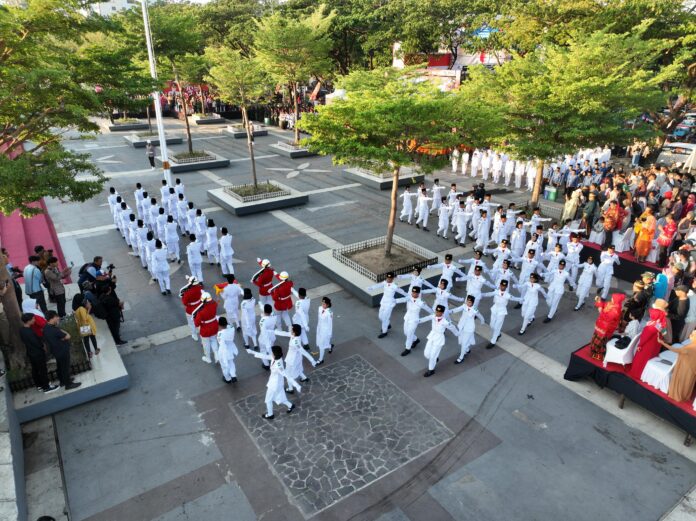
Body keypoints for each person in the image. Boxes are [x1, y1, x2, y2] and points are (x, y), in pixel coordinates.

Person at [247, 345, 299, 419]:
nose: (271, 353)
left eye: (272, 352)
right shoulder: (275, 358)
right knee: (280, 397)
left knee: (268, 400)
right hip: (275, 383)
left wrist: (296, 385)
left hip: (274, 385)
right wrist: (252, 352)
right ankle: (290, 405)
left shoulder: (278, 365)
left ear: (275, 354)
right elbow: (264, 356)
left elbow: (287, 375)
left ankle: (270, 414)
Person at [629, 300, 668, 379]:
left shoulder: (651, 325)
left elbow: (644, 337)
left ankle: (636, 374)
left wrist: (640, 345)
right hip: (655, 345)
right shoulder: (661, 322)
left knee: (641, 360)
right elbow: (664, 333)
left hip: (647, 346)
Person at [43, 311, 82, 390]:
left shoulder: (46, 328)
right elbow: (68, 336)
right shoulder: (55, 330)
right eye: (56, 317)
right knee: (65, 368)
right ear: (52, 318)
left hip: (55, 351)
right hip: (62, 351)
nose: (58, 318)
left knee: (60, 367)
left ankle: (63, 381)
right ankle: (68, 384)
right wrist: (63, 333)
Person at [19, 313, 57, 393]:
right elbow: (36, 343)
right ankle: (46, 387)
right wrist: (42, 346)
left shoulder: (22, 330)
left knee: (35, 370)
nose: (34, 320)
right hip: (37, 354)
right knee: (42, 370)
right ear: (28, 321)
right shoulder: (29, 332)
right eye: (33, 319)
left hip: (31, 353)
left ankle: (39, 385)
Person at [419, 305, 459, 377]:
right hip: (432, 336)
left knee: (432, 356)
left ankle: (431, 370)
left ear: (442, 313)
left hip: (439, 339)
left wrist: (457, 334)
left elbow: (452, 327)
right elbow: (424, 318)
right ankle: (435, 358)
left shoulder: (445, 321)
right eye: (436, 311)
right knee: (426, 354)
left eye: (439, 312)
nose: (437, 313)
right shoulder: (433, 316)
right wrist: (417, 321)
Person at [480, 280, 522, 349]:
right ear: (500, 285)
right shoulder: (496, 292)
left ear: (506, 287)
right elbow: (489, 294)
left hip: (502, 311)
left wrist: (522, 299)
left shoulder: (507, 295)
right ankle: (498, 334)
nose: (502, 287)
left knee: (497, 327)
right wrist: (482, 294)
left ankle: (493, 341)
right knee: (492, 325)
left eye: (504, 286)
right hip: (495, 309)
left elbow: (514, 298)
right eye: (502, 285)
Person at [395, 286, 433, 357]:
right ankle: (416, 339)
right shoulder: (409, 298)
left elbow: (428, 309)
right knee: (405, 332)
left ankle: (407, 349)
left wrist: (435, 314)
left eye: (415, 293)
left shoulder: (421, 303)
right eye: (413, 292)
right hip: (407, 318)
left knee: (409, 334)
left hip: (414, 320)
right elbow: (402, 299)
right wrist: (395, 300)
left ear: (418, 294)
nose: (414, 294)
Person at [657, 332, 696, 402]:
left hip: (685, 367)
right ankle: (685, 396)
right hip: (692, 368)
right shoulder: (693, 345)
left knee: (682, 381)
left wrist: (663, 343)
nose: (690, 335)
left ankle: (677, 396)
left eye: (692, 335)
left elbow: (676, 350)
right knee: (688, 382)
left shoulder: (691, 347)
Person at [367, 272, 407, 338]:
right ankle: (388, 324)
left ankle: (384, 332)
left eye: (390, 278)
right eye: (387, 278)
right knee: (380, 316)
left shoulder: (394, 286)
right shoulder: (385, 282)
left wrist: (408, 297)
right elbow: (378, 285)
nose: (388, 279)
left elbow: (402, 292)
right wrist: (371, 287)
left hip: (389, 304)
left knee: (385, 318)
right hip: (383, 302)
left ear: (392, 278)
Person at [588, 294, 625, 360]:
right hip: (602, 326)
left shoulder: (616, 310)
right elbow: (604, 304)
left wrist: (601, 311)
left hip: (605, 328)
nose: (611, 299)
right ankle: (594, 351)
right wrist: (599, 301)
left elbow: (607, 318)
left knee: (600, 342)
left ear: (616, 300)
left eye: (613, 298)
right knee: (597, 338)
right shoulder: (612, 304)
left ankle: (598, 355)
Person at [450, 295, 485, 363]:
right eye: (467, 301)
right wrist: (449, 311)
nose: (467, 303)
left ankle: (461, 357)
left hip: (469, 328)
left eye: (469, 302)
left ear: (472, 303)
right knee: (461, 340)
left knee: (464, 343)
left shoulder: (474, 310)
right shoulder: (464, 306)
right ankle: (467, 349)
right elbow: (456, 310)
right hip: (462, 326)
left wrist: (482, 321)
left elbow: (480, 316)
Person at [193, 291, 219, 364]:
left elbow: (196, 324)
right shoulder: (214, 304)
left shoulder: (200, 311)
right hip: (214, 325)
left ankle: (208, 358)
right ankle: (217, 356)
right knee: (213, 340)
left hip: (205, 329)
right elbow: (215, 302)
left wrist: (195, 318)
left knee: (206, 344)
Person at [217, 317, 238, 383]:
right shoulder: (232, 328)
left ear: (219, 325)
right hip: (231, 348)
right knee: (231, 363)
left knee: (224, 365)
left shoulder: (220, 334)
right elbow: (229, 325)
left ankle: (227, 378)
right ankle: (233, 375)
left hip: (224, 351)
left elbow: (222, 344)